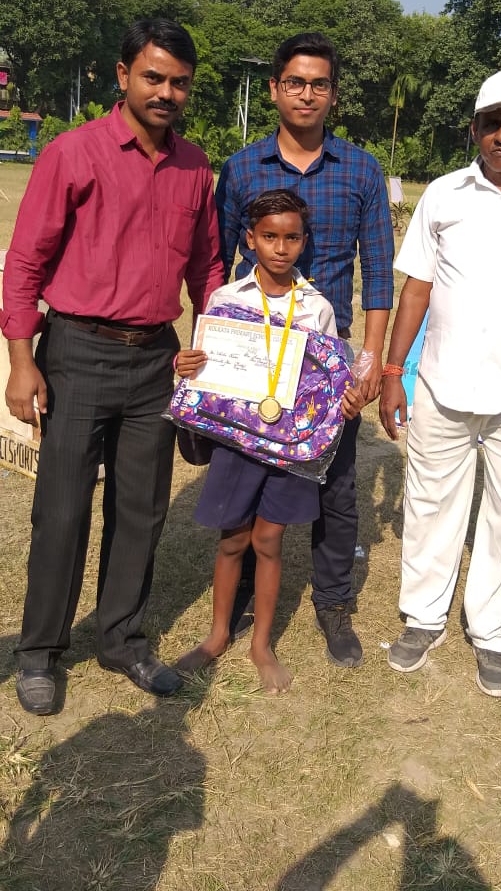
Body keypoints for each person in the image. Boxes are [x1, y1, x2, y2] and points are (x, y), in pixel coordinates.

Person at [1, 17, 224, 715]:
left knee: (142, 511)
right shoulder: (73, 153)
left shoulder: (194, 168)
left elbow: (207, 269)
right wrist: (22, 362)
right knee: (62, 509)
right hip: (77, 351)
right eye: (153, 77)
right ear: (124, 75)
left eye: (179, 83)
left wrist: (214, 347)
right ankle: (40, 651)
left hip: (156, 358)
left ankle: (122, 639)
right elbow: (25, 263)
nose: (166, 93)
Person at [379, 67, 501, 698]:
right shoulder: (443, 195)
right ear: (476, 129)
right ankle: (423, 617)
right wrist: (393, 372)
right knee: (431, 503)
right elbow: (417, 288)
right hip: (442, 382)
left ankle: (493, 632)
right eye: (492, 123)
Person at [216, 33, 394, 667]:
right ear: (274, 89)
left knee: (335, 488)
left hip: (327, 361)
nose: (307, 94)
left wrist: (368, 364)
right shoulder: (241, 169)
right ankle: (239, 596)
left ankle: (333, 604)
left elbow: (379, 273)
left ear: (333, 95)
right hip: (255, 355)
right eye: (295, 82)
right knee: (247, 474)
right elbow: (217, 265)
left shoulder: (361, 170)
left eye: (319, 84)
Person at [174, 189, 362, 693]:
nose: (281, 248)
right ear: (250, 239)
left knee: (268, 540)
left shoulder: (316, 308)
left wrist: (345, 397)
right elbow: (204, 368)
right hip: (238, 442)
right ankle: (218, 635)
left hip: (288, 449)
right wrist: (186, 365)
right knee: (233, 538)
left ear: (305, 241)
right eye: (270, 237)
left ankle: (261, 645)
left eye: (292, 238)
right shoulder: (226, 299)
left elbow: (328, 380)